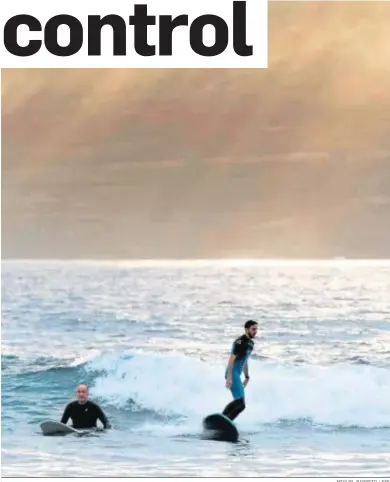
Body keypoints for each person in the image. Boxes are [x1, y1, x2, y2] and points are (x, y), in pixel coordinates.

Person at [222, 320, 258, 421]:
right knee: (240, 402)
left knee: (241, 405)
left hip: (237, 374)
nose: (255, 331)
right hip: (232, 373)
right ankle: (223, 417)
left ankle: (227, 421)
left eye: (256, 329)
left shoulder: (251, 343)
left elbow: (245, 360)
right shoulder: (239, 342)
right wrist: (229, 377)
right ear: (246, 329)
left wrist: (247, 376)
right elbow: (231, 360)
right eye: (253, 329)